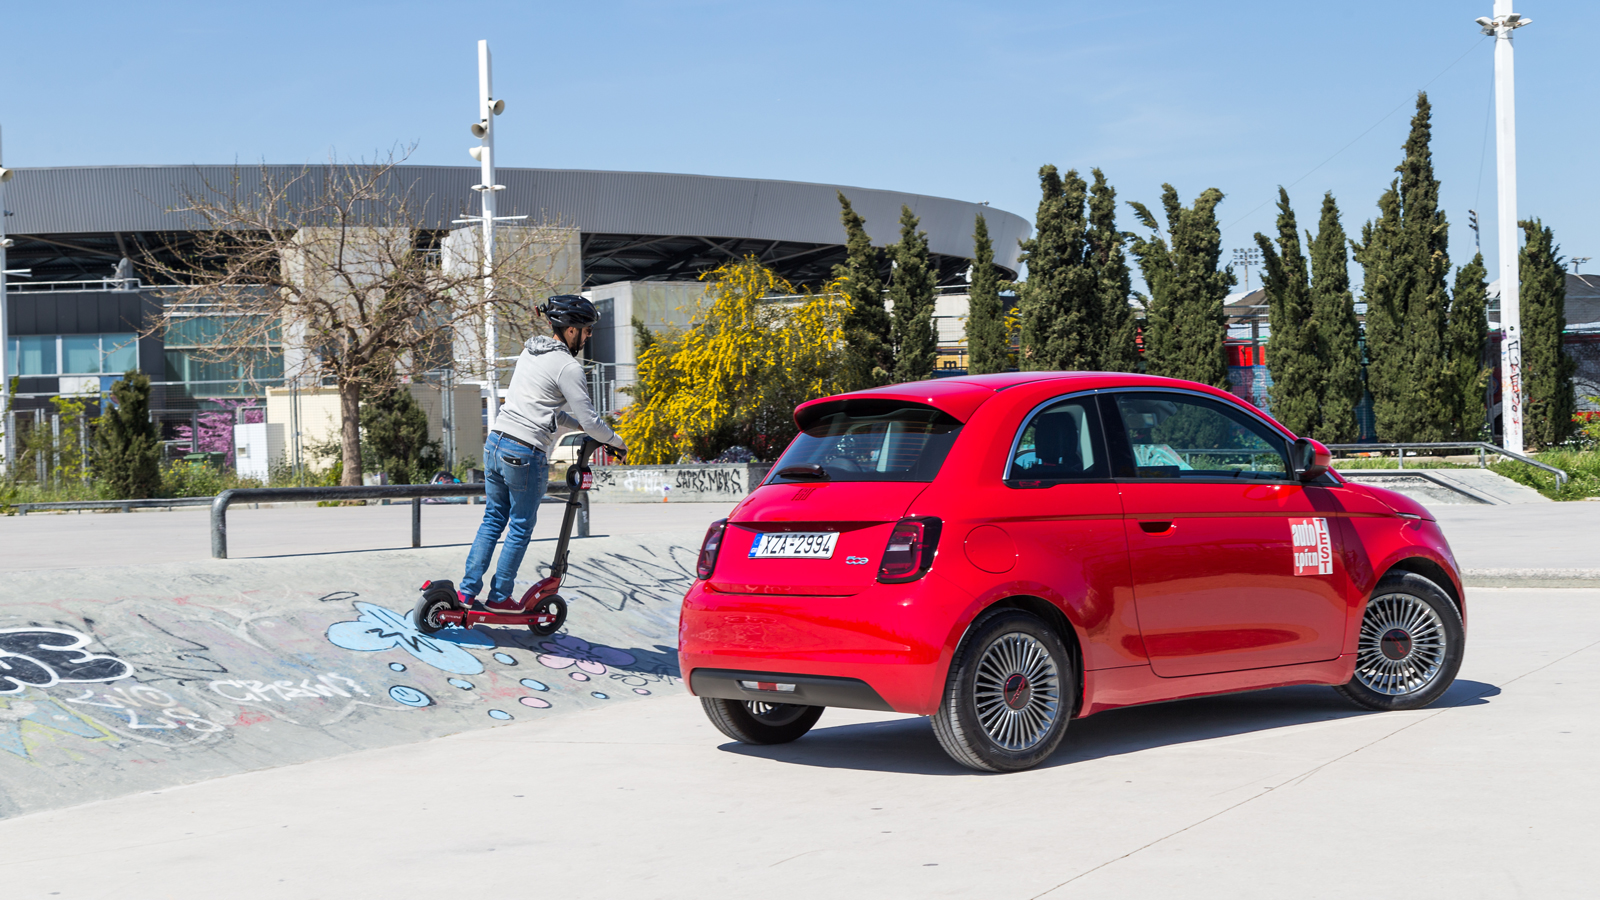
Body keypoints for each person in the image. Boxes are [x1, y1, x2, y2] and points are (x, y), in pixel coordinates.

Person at [460, 295, 626, 612]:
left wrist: (581, 428)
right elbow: (592, 421)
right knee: (521, 526)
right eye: (588, 330)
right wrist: (616, 440)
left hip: (496, 441)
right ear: (571, 329)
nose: (589, 336)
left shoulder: (530, 352)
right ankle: (498, 598)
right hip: (524, 451)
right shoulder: (567, 367)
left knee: (492, 521)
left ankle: (467, 593)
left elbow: (549, 413)